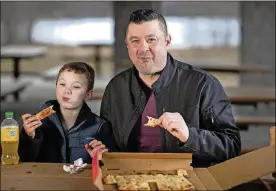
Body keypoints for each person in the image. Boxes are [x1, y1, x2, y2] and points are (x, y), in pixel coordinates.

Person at [91, 9, 241, 167]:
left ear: (167, 42)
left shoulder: (203, 84)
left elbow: (231, 146)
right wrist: (103, 153)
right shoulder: (116, 88)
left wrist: (190, 136)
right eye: (135, 41)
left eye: (151, 39)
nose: (143, 48)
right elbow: (108, 144)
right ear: (127, 44)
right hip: (130, 179)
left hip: (188, 180)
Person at [18, 62, 115, 163]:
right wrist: (28, 135)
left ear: (88, 95)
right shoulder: (38, 123)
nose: (67, 91)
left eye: (76, 87)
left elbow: (111, 165)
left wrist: (100, 158)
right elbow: (24, 158)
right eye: (62, 84)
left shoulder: (99, 126)